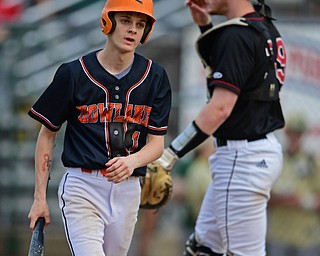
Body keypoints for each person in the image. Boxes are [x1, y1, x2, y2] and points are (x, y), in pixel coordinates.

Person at [27, 0, 172, 255]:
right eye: (125, 20)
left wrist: (132, 161)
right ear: (108, 21)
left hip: (128, 189)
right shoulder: (73, 74)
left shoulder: (155, 76)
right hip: (83, 186)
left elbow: (156, 145)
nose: (132, 30)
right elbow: (47, 135)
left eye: (140, 24)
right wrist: (40, 198)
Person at [155, 0, 287, 255]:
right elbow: (231, 71)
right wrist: (206, 26)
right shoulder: (264, 27)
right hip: (254, 151)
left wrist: (169, 154)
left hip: (242, 158)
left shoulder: (237, 35)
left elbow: (220, 108)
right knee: (203, 248)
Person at [267, 114, 320, 256]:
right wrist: (283, 199)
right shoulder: (276, 159)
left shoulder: (313, 161)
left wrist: (303, 202)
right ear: (286, 133)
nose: (295, 138)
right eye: (292, 133)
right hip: (279, 233)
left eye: (298, 134)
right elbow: (263, 197)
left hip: (306, 235)